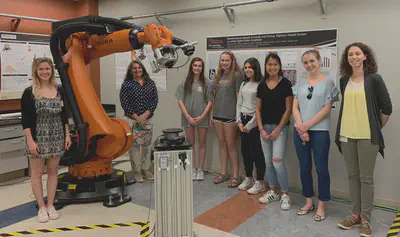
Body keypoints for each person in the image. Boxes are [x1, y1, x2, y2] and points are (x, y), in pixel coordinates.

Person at [335, 42, 392, 237]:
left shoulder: (374, 79)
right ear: (347, 58)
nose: (354, 57)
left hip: (368, 137)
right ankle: (355, 215)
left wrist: (375, 128)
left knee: (366, 179)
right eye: (350, 54)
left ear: (365, 56)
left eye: (357, 53)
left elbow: (387, 108)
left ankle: (366, 219)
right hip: (346, 135)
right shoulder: (344, 80)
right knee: (352, 176)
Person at [21, 57, 71, 223]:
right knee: (36, 174)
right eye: (41, 69)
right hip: (37, 137)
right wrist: (30, 140)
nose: (44, 72)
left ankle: (50, 205)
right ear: (36, 71)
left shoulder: (58, 89)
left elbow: (64, 115)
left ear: (52, 71)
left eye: (47, 69)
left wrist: (67, 135)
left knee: (53, 172)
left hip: (57, 136)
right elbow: (26, 119)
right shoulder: (30, 92)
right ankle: (41, 207)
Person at [292, 49, 339, 221]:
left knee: (321, 168)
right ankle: (308, 201)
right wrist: (301, 128)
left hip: (319, 131)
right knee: (304, 167)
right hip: (300, 131)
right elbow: (294, 107)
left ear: (319, 61)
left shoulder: (328, 82)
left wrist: (307, 126)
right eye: (305, 62)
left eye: (312, 61)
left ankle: (322, 204)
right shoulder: (300, 82)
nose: (309, 65)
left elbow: (326, 108)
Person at [255, 53, 293, 210]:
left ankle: (285, 194)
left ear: (280, 66)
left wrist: (278, 129)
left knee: (277, 161)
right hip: (264, 128)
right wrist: (261, 129)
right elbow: (257, 108)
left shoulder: (286, 84)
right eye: (269, 64)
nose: (272, 67)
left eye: (275, 64)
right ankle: (273, 191)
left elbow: (289, 109)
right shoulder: (262, 85)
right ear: (265, 66)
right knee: (268, 162)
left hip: (280, 129)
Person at [120, 60, 158, 183]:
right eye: (134, 68)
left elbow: (154, 100)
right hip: (132, 120)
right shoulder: (127, 84)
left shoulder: (150, 83)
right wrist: (137, 117)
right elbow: (124, 103)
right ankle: (137, 171)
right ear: (130, 71)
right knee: (135, 146)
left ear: (143, 69)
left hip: (147, 119)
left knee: (146, 145)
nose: (137, 70)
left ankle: (146, 169)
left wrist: (146, 114)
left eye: (139, 68)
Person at [175, 57, 213, 181]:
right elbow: (179, 100)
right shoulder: (185, 82)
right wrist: (188, 117)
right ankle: (192, 169)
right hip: (188, 118)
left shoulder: (207, 83)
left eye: (199, 66)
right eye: (195, 65)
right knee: (191, 144)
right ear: (191, 67)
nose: (197, 68)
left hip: (202, 118)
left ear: (202, 68)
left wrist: (202, 116)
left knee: (202, 144)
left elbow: (210, 101)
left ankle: (200, 170)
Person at [210, 51, 242, 188]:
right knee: (222, 144)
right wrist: (211, 114)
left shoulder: (236, 75)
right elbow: (214, 98)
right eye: (222, 60)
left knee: (231, 145)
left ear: (232, 61)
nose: (224, 62)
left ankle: (236, 175)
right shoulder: (218, 75)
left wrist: (238, 117)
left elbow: (238, 97)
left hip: (230, 116)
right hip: (217, 115)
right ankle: (224, 173)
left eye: (227, 60)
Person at [235, 58, 265, 194]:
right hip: (243, 121)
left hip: (254, 122)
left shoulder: (261, 84)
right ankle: (248, 178)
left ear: (255, 68)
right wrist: (239, 121)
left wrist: (251, 124)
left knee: (257, 153)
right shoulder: (243, 84)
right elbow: (239, 104)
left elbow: (261, 107)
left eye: (250, 67)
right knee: (245, 152)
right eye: (246, 67)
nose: (247, 69)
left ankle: (260, 182)